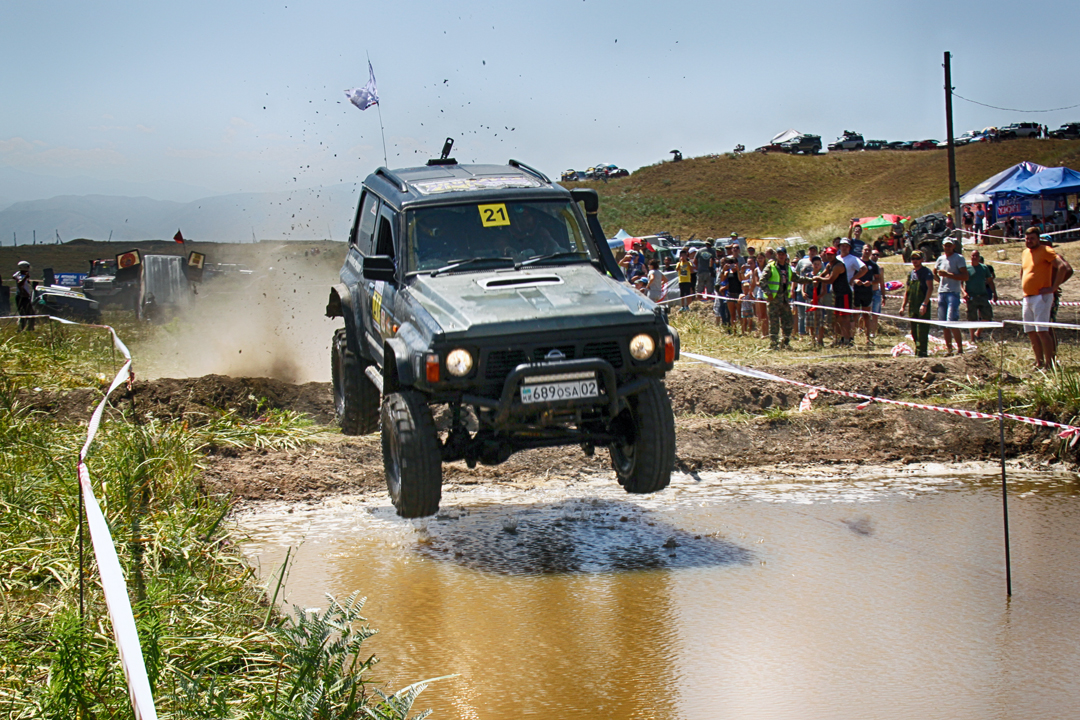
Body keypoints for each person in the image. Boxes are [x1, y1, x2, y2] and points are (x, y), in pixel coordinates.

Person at [1022, 228, 1065, 368]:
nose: (1029, 241)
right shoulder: (1025, 252)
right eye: (1027, 238)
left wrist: (1053, 287)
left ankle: (1049, 363)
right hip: (1027, 297)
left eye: (1032, 238)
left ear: (1038, 239)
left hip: (1042, 297)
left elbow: (1063, 267)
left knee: (1042, 331)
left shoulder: (1046, 250)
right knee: (1031, 331)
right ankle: (1039, 362)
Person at [814, 246, 856, 347]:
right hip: (837, 294)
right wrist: (815, 278)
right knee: (837, 317)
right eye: (828, 254)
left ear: (835, 255)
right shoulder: (829, 265)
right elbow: (823, 274)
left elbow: (830, 280)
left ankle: (847, 340)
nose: (829, 256)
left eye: (831, 255)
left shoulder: (838, 265)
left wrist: (817, 279)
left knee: (845, 317)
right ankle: (838, 339)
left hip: (844, 294)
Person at [932, 237, 968, 355]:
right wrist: (939, 280)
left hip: (953, 292)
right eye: (945, 245)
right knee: (944, 323)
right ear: (943, 246)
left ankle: (960, 349)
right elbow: (934, 272)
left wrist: (948, 275)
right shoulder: (940, 259)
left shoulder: (959, 258)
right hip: (942, 292)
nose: (947, 247)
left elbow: (965, 276)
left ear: (953, 246)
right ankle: (949, 349)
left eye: (949, 245)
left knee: (952, 321)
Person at [900, 251, 934, 357]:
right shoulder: (910, 273)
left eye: (917, 258)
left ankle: (923, 352)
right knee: (914, 330)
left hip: (922, 304)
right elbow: (907, 291)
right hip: (912, 305)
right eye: (913, 258)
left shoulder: (926, 272)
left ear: (922, 259)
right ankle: (917, 350)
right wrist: (903, 306)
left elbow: (930, 288)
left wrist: (924, 304)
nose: (915, 261)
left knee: (922, 330)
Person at [1043, 234, 1073, 349]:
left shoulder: (1055, 256)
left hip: (1050, 295)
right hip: (1038, 293)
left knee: (1048, 326)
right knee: (1040, 327)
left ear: (1049, 244)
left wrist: (1054, 286)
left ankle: (1052, 353)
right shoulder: (1040, 256)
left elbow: (1068, 270)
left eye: (1043, 242)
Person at [964, 249, 997, 343]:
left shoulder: (984, 268)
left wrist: (994, 293)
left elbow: (990, 281)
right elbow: (961, 282)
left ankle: (978, 332)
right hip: (971, 297)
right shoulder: (966, 268)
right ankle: (972, 339)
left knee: (988, 317)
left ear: (979, 257)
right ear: (970, 257)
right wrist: (964, 292)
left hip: (983, 296)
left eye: (976, 256)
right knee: (971, 319)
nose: (974, 257)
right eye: (973, 256)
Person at [854, 245, 883, 346]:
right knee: (855, 314)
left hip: (867, 292)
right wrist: (856, 280)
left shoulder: (873, 265)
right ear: (862, 251)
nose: (867, 252)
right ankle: (852, 337)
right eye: (865, 250)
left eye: (869, 250)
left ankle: (867, 338)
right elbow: (851, 276)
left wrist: (870, 282)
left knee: (866, 315)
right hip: (856, 291)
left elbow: (878, 279)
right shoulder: (856, 262)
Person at [793, 245, 817, 335]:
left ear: (816, 252)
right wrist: (793, 289)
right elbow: (796, 276)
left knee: (812, 314)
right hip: (800, 290)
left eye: (814, 251)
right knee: (801, 314)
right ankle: (801, 333)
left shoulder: (819, 262)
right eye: (811, 250)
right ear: (808, 251)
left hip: (813, 291)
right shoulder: (802, 261)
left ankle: (812, 333)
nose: (812, 252)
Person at [13, 261, 35, 332]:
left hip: (23, 297)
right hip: (22, 297)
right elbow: (20, 283)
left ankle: (26, 328)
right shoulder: (22, 276)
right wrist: (25, 277)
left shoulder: (19, 274)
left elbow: (14, 276)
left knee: (28, 313)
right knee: (27, 314)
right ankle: (26, 329)